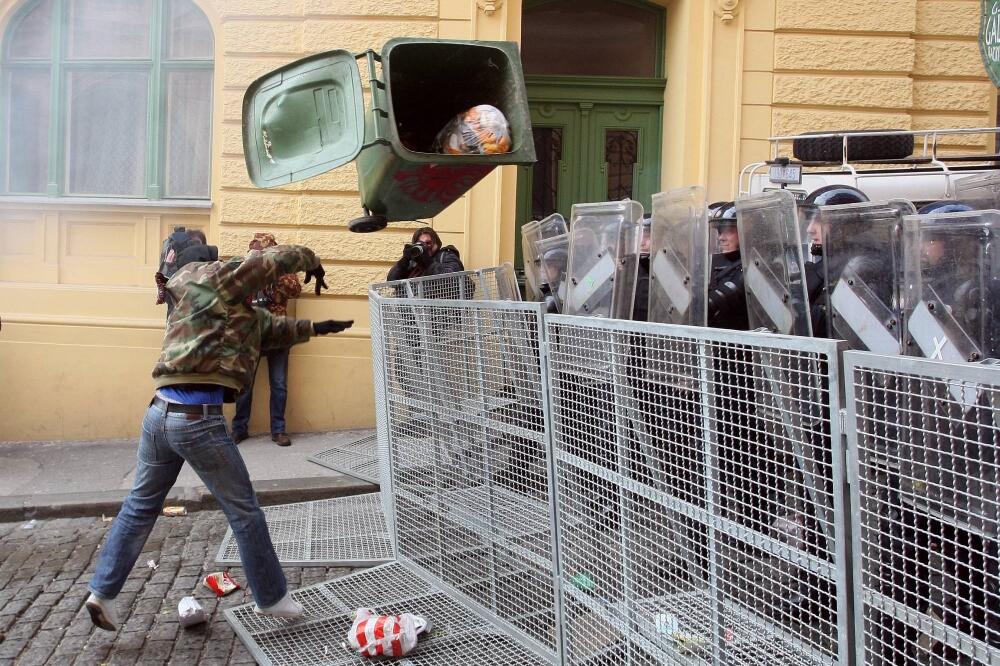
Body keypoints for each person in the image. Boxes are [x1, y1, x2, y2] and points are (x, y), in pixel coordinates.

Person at [85, 241, 353, 631]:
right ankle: (272, 598)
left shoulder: (202, 301)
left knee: (140, 506)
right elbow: (269, 261)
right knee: (244, 511)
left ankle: (102, 593)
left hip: (158, 414)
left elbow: (265, 328)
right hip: (197, 420)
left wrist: (316, 328)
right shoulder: (213, 277)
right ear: (210, 263)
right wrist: (313, 259)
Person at [232, 233, 302, 447]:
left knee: (279, 384)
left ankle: (278, 430)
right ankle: (239, 429)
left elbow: (295, 290)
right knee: (245, 385)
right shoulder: (244, 269)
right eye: (256, 252)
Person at [706, 202, 748, 330]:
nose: (720, 238)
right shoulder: (716, 263)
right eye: (719, 231)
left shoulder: (753, 267)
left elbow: (712, 303)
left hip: (742, 346)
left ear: (745, 231)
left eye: (728, 230)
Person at [387, 227, 464, 281]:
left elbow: (453, 279)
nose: (425, 246)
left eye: (428, 243)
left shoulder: (446, 256)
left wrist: (428, 263)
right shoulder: (413, 262)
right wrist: (404, 261)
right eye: (420, 243)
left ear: (437, 243)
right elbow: (391, 281)